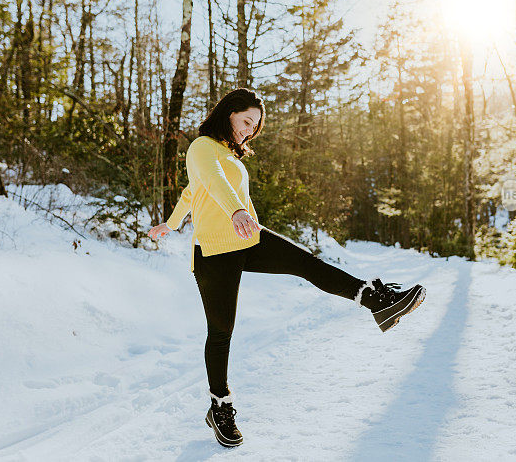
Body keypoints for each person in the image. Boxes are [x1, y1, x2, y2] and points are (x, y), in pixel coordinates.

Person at [147, 88, 425, 449]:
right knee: (221, 332)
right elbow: (207, 183)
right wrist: (227, 212)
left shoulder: (229, 155)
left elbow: (191, 191)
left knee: (306, 263)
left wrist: (174, 222)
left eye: (255, 127)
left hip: (249, 239)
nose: (249, 131)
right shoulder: (202, 147)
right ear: (229, 113)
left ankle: (376, 300)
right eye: (246, 121)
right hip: (215, 251)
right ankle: (219, 406)